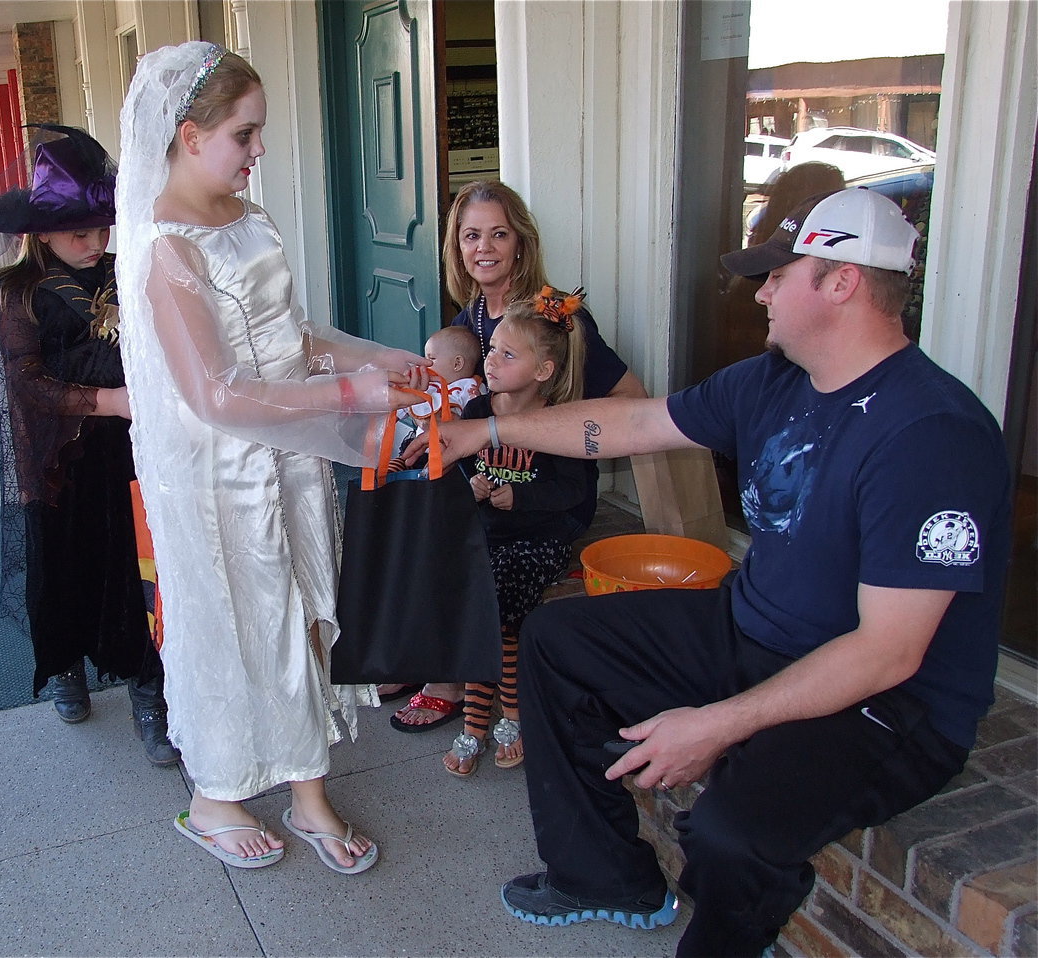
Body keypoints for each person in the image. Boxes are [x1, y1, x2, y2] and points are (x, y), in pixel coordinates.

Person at [408, 188, 1011, 955]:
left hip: (891, 701)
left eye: (777, 276)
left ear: (841, 282)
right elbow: (635, 421)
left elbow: (888, 652)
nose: (759, 293)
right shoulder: (773, 380)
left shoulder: (931, 434)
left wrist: (718, 723)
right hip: (754, 630)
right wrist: (485, 431)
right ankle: (603, 876)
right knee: (556, 641)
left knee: (728, 831)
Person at [116, 42, 430, 874]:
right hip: (223, 478)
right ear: (189, 136)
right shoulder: (167, 249)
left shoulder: (249, 218)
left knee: (302, 613)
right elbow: (214, 394)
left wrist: (377, 358)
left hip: (289, 454)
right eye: (244, 135)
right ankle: (216, 793)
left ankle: (307, 789)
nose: (259, 150)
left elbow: (291, 337)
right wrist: (353, 395)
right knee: (240, 625)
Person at [387, 179, 648, 731]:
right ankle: (428, 651)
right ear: (456, 247)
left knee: (458, 546)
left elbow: (632, 402)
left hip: (546, 491)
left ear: (522, 242)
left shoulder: (554, 316)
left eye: (499, 234)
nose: (484, 247)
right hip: (488, 485)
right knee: (408, 514)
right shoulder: (468, 321)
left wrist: (534, 425)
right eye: (471, 236)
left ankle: (449, 678)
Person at [0, 125, 178, 767]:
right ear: (42, 232)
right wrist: (109, 401)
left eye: (102, 229)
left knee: (137, 564)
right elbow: (27, 383)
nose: (95, 244)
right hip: (60, 458)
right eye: (78, 233)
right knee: (62, 563)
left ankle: (148, 684)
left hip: (132, 452)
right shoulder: (17, 292)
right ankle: (65, 663)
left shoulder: (126, 273)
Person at [443, 287, 590, 777]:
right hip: (486, 534)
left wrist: (522, 497)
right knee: (469, 599)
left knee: (499, 607)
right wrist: (473, 486)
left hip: (537, 540)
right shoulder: (476, 412)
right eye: (491, 350)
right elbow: (460, 466)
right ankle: (481, 720)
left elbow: (573, 490)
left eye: (508, 355)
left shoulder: (557, 422)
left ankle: (503, 719)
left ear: (543, 370)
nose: (490, 361)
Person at [390, 324, 482, 461]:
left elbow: (478, 419)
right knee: (400, 464)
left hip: (453, 453)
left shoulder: (470, 388)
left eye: (431, 358)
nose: (424, 364)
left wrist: (477, 400)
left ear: (457, 364)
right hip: (420, 448)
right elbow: (399, 407)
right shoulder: (427, 385)